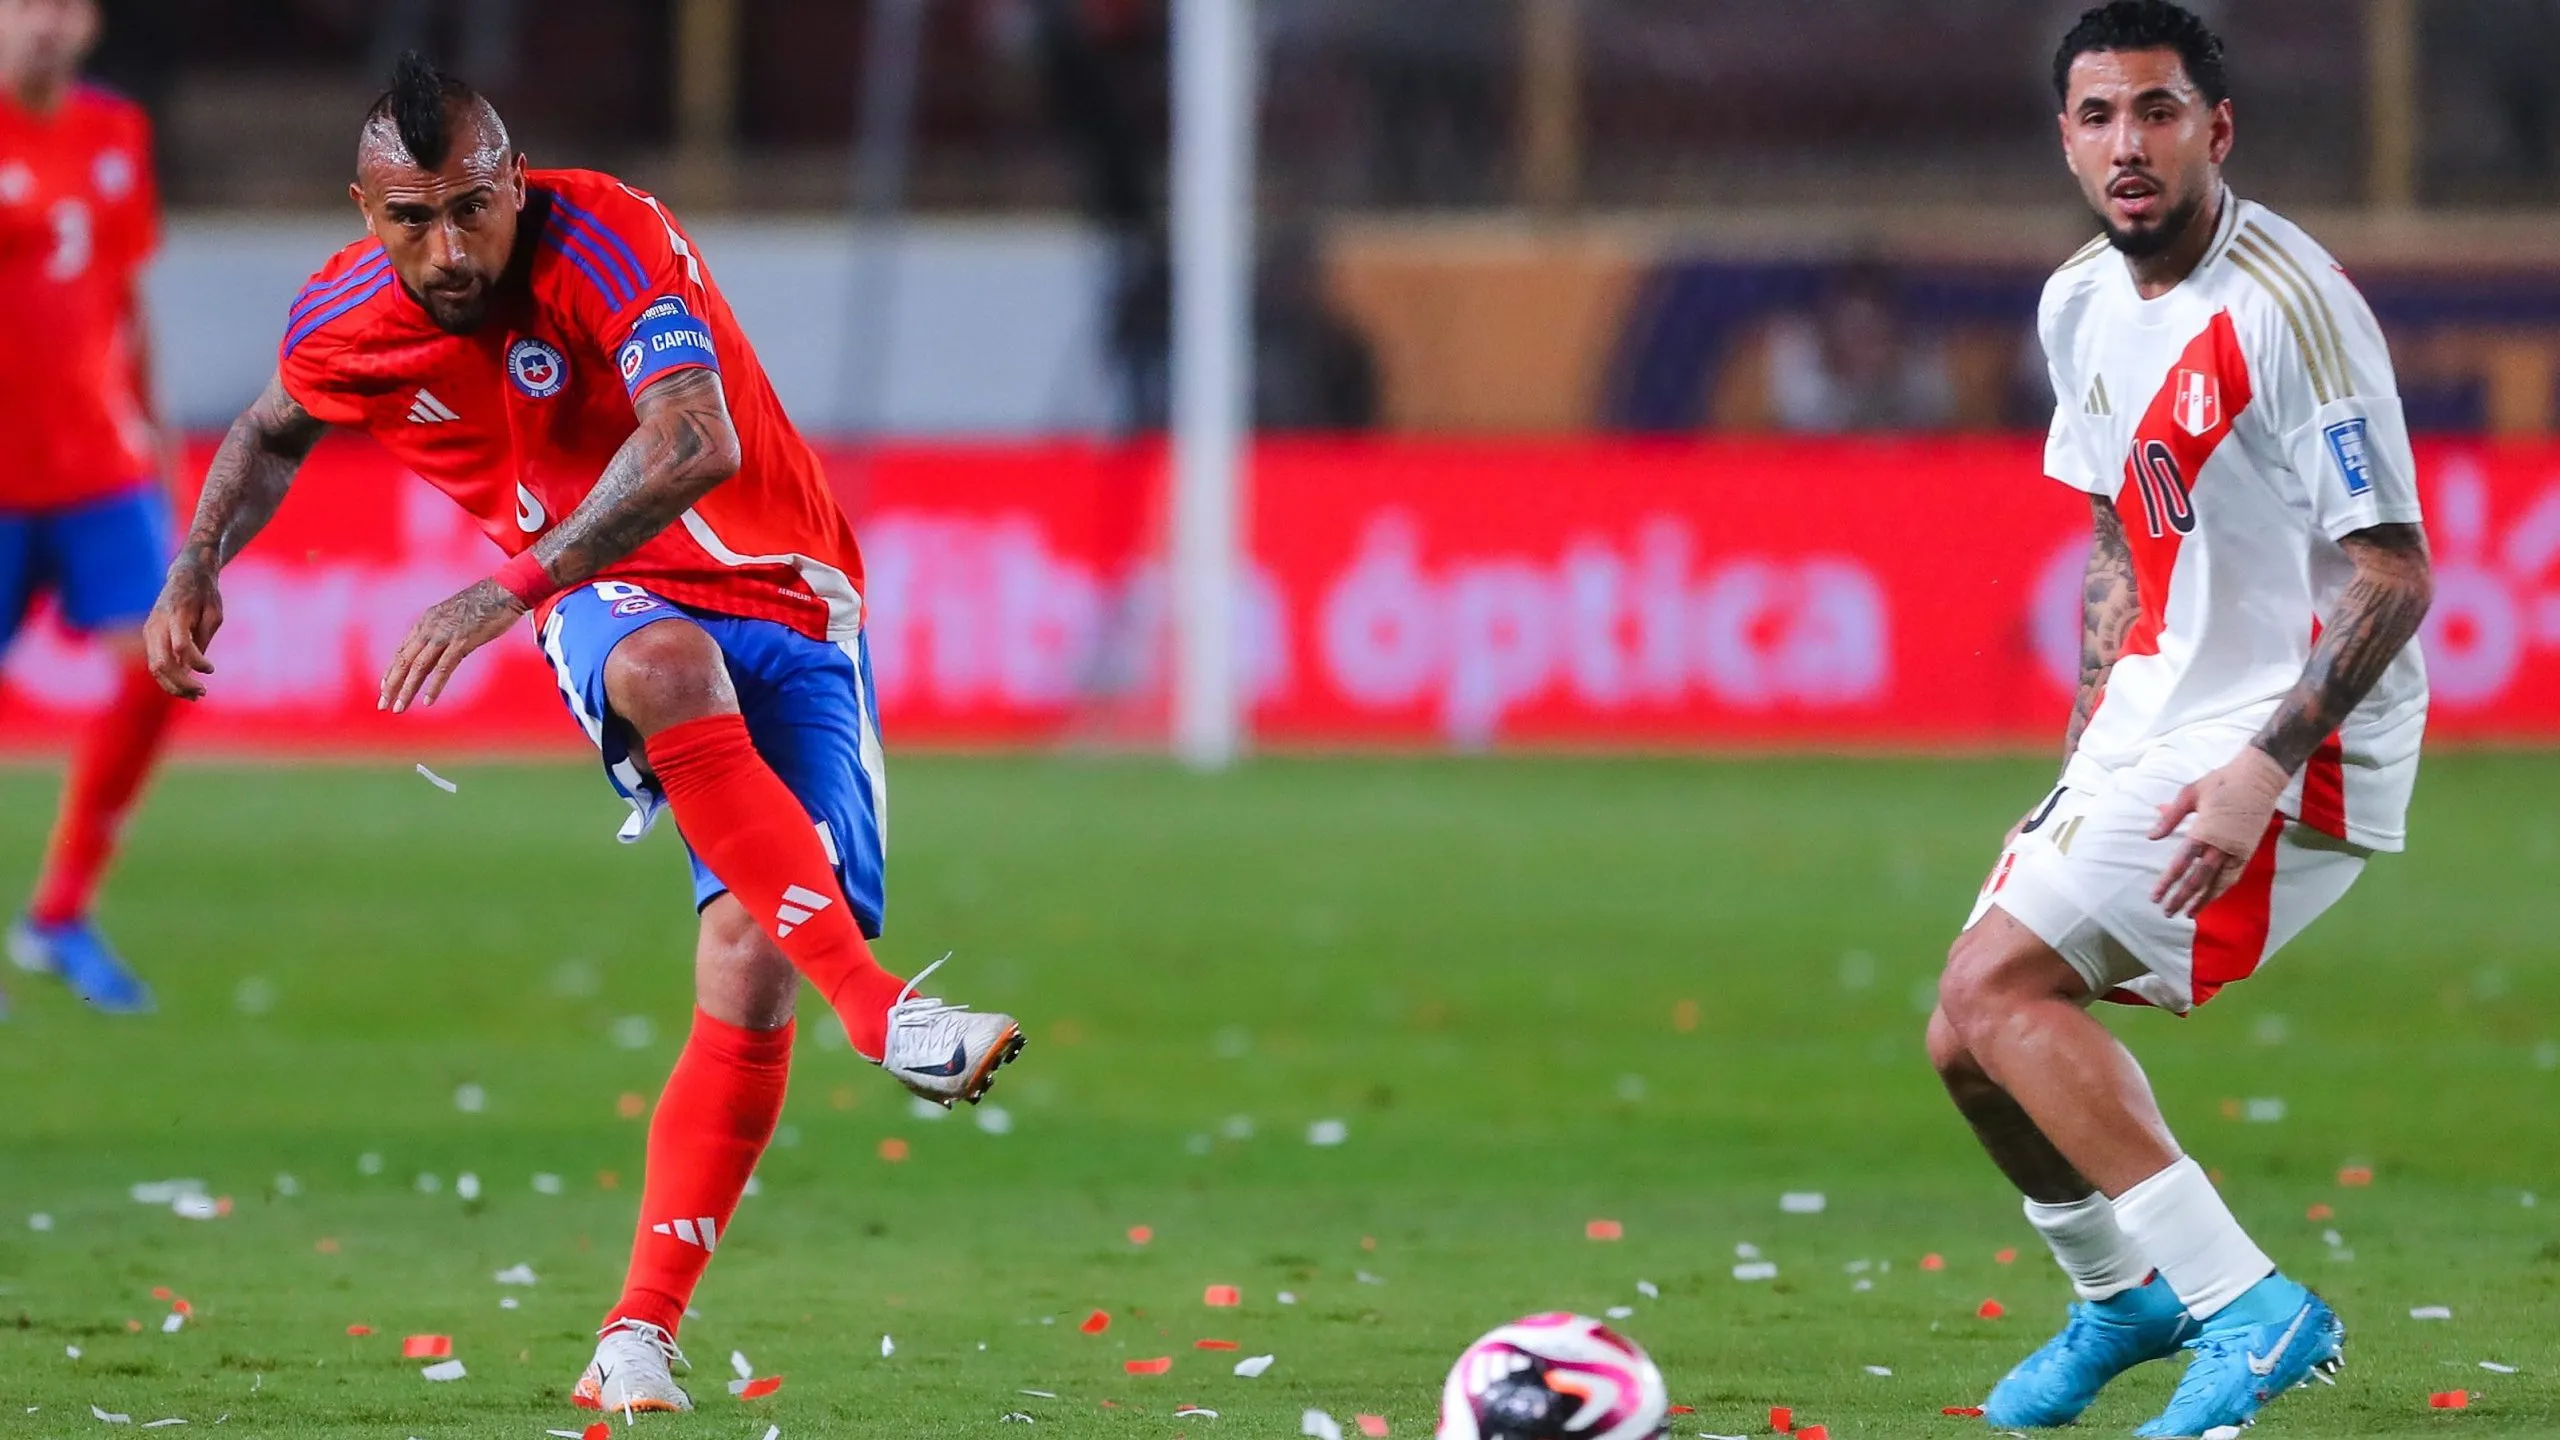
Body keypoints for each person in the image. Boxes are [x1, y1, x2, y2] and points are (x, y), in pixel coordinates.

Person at [141, 54, 1026, 1413]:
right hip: (607, 592)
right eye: (410, 219)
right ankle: (889, 1016)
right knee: (664, 664)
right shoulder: (344, 316)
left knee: (750, 960)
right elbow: (272, 431)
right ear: (365, 211)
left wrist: (505, 584)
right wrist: (199, 557)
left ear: (515, 179)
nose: (448, 247)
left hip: (793, 594)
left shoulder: (606, 232)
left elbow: (694, 441)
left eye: (472, 208)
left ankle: (635, 1338)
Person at [1930, 5, 2432, 1436]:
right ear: (2067, 140)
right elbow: (2115, 535)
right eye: (2097, 117)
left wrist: (2256, 772)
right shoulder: (2078, 299)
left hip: (2292, 733)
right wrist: (2090, 746)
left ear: (2217, 129)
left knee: (2001, 994)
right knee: (1964, 1045)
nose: (2126, 145)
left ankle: (2253, 1312)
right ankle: (2123, 1299)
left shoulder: (2289, 304)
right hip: (2160, 704)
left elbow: (2395, 572)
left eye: (2156, 112)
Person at [0, 0, 182, 1015]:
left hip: (99, 469)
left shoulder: (115, 134)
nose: (42, 26)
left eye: (63, 7)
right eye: (24, 5)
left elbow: (128, 302)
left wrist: (160, 451)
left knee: (159, 665)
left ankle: (60, 911)